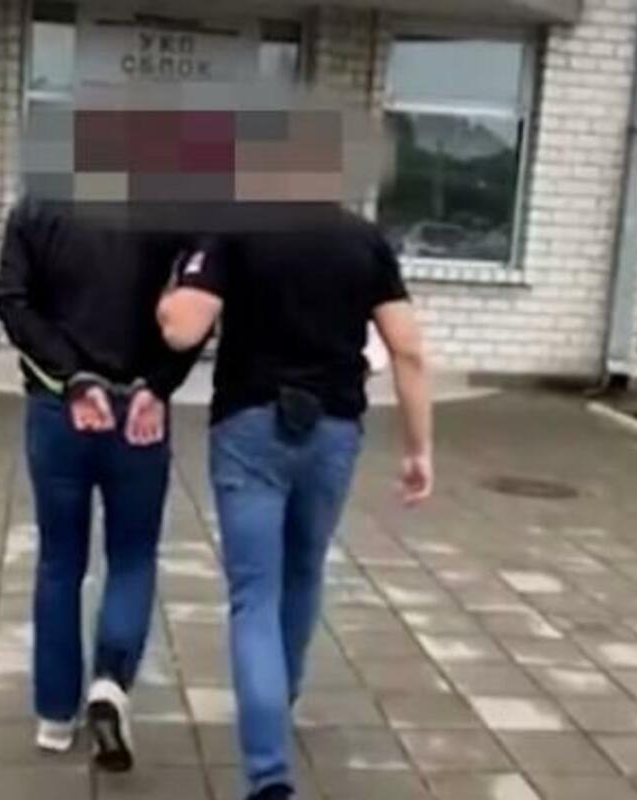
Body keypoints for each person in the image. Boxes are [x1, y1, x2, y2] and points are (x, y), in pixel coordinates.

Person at [156, 118, 433, 800]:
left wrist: (167, 294)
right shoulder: (365, 241)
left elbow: (184, 329)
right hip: (333, 430)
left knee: (254, 594)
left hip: (250, 426)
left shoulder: (235, 228)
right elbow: (408, 350)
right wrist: (419, 448)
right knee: (303, 574)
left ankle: (268, 774)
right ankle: (280, 699)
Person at [0, 193, 199, 771]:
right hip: (140, 413)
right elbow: (195, 317)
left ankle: (56, 716)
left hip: (61, 409)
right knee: (132, 557)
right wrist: (158, 385)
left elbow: (12, 303)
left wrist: (73, 377)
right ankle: (110, 684)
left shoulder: (37, 208)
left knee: (60, 562)